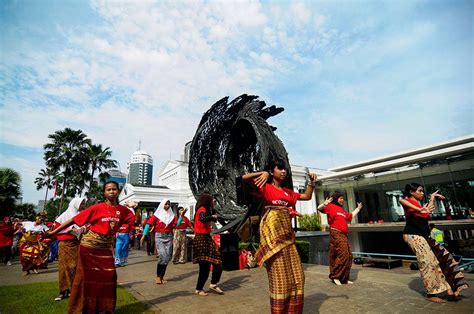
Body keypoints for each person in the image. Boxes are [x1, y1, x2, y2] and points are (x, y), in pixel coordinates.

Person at [46, 181, 135, 313]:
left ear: (118, 191)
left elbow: (134, 220)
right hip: (89, 247)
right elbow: (73, 220)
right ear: (104, 193)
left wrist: (134, 207)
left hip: (105, 248)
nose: (111, 191)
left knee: (110, 276)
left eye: (114, 189)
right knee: (85, 279)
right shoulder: (97, 208)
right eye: (108, 189)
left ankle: (105, 308)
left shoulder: (123, 210)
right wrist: (54, 232)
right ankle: (82, 308)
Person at [242, 159, 317, 313]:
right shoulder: (265, 187)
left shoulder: (288, 192)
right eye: (280, 168)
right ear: (271, 171)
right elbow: (244, 178)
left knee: (298, 277)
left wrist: (312, 183)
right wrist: (262, 173)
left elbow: (307, 197)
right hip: (272, 234)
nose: (284, 171)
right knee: (280, 278)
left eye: (285, 169)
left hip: (288, 237)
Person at [400, 183, 469, 303]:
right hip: (413, 236)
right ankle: (431, 294)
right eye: (420, 191)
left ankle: (449, 287)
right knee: (427, 263)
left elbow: (427, 212)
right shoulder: (409, 202)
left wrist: (432, 197)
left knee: (442, 257)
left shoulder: (418, 203)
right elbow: (402, 201)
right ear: (412, 192)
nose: (422, 193)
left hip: (423, 236)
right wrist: (420, 209)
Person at [317, 193, 362, 285]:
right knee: (344, 254)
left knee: (349, 256)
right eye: (340, 198)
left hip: (344, 235)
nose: (342, 200)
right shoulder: (331, 206)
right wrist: (325, 203)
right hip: (336, 233)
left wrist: (358, 208)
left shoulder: (342, 210)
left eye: (343, 199)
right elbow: (319, 208)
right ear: (336, 199)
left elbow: (350, 216)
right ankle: (335, 276)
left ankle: (344, 278)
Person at [52, 197, 86, 301]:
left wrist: (82, 229)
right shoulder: (63, 217)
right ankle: (63, 291)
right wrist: (69, 230)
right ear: (76, 204)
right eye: (81, 203)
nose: (83, 206)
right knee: (64, 268)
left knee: (75, 267)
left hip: (77, 244)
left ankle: (74, 290)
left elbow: (86, 226)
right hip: (65, 244)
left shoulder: (81, 216)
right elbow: (56, 230)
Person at [192, 193, 224, 296]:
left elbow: (207, 218)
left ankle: (208, 285)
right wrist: (212, 217)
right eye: (211, 200)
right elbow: (203, 218)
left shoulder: (204, 209)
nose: (213, 201)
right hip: (202, 239)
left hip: (205, 239)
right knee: (206, 266)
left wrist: (213, 215)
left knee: (215, 263)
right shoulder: (202, 209)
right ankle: (201, 288)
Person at [141, 199, 175, 284]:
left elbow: (176, 225)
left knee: (167, 258)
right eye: (166, 204)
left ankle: (162, 277)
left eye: (169, 204)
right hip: (159, 236)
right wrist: (144, 235)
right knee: (162, 256)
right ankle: (157, 276)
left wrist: (181, 216)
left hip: (169, 236)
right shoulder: (156, 216)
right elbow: (148, 224)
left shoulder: (172, 216)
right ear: (162, 204)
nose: (167, 206)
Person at [115, 200, 138, 267]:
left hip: (126, 234)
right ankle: (117, 262)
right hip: (119, 234)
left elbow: (132, 223)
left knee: (124, 248)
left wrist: (131, 233)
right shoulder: (118, 214)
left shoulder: (131, 212)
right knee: (118, 248)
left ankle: (122, 262)